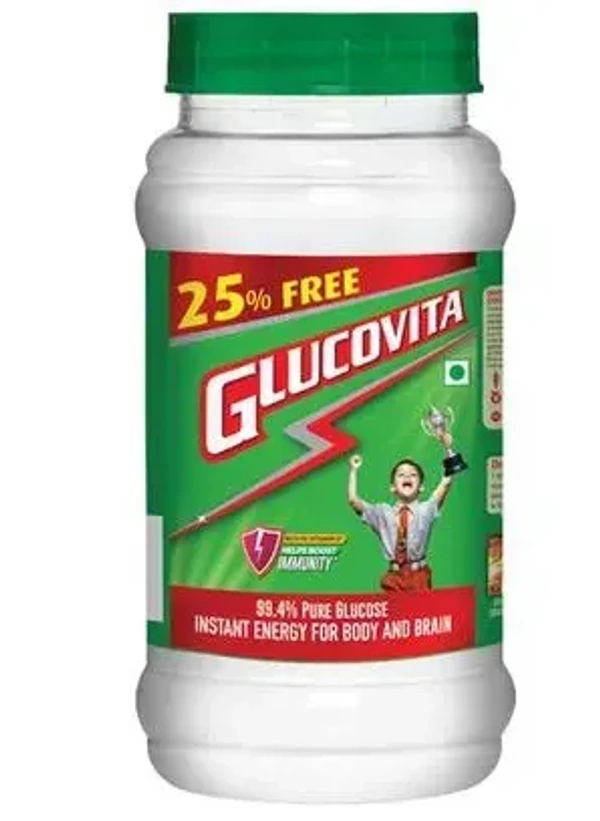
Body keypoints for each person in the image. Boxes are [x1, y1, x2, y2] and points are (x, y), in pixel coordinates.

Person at [347, 430, 456, 592]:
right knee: (394, 608)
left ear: (421, 487)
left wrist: (448, 448)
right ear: (392, 487)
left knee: (421, 609)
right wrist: (353, 470)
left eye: (413, 475)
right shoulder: (382, 513)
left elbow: (447, 481)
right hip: (394, 577)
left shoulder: (426, 509)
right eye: (401, 475)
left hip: (419, 576)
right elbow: (353, 500)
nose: (407, 477)